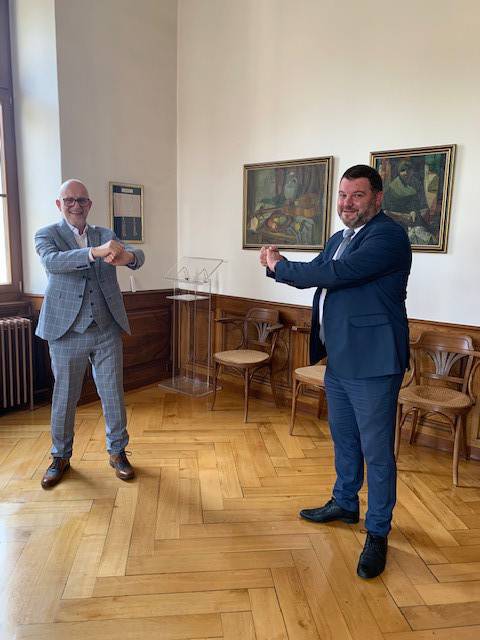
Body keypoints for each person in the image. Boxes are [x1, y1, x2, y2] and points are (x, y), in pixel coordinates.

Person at [260, 165, 411, 579]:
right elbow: (316, 276)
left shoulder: (388, 236)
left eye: (357, 195)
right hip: (340, 359)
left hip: (375, 363)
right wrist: (278, 269)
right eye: (343, 195)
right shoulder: (339, 238)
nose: (347, 203)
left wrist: (282, 265)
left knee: (377, 453)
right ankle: (345, 503)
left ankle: (378, 531)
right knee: (344, 440)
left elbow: (336, 275)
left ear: (377, 198)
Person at [35, 179, 145, 489]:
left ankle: (118, 452)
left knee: (112, 393)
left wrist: (129, 258)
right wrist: (94, 253)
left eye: (82, 200)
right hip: (66, 330)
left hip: (106, 327)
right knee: (65, 396)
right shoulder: (47, 234)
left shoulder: (106, 234)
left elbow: (136, 254)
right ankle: (60, 457)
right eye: (69, 200)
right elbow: (52, 263)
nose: (76, 205)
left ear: (89, 204)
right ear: (60, 204)